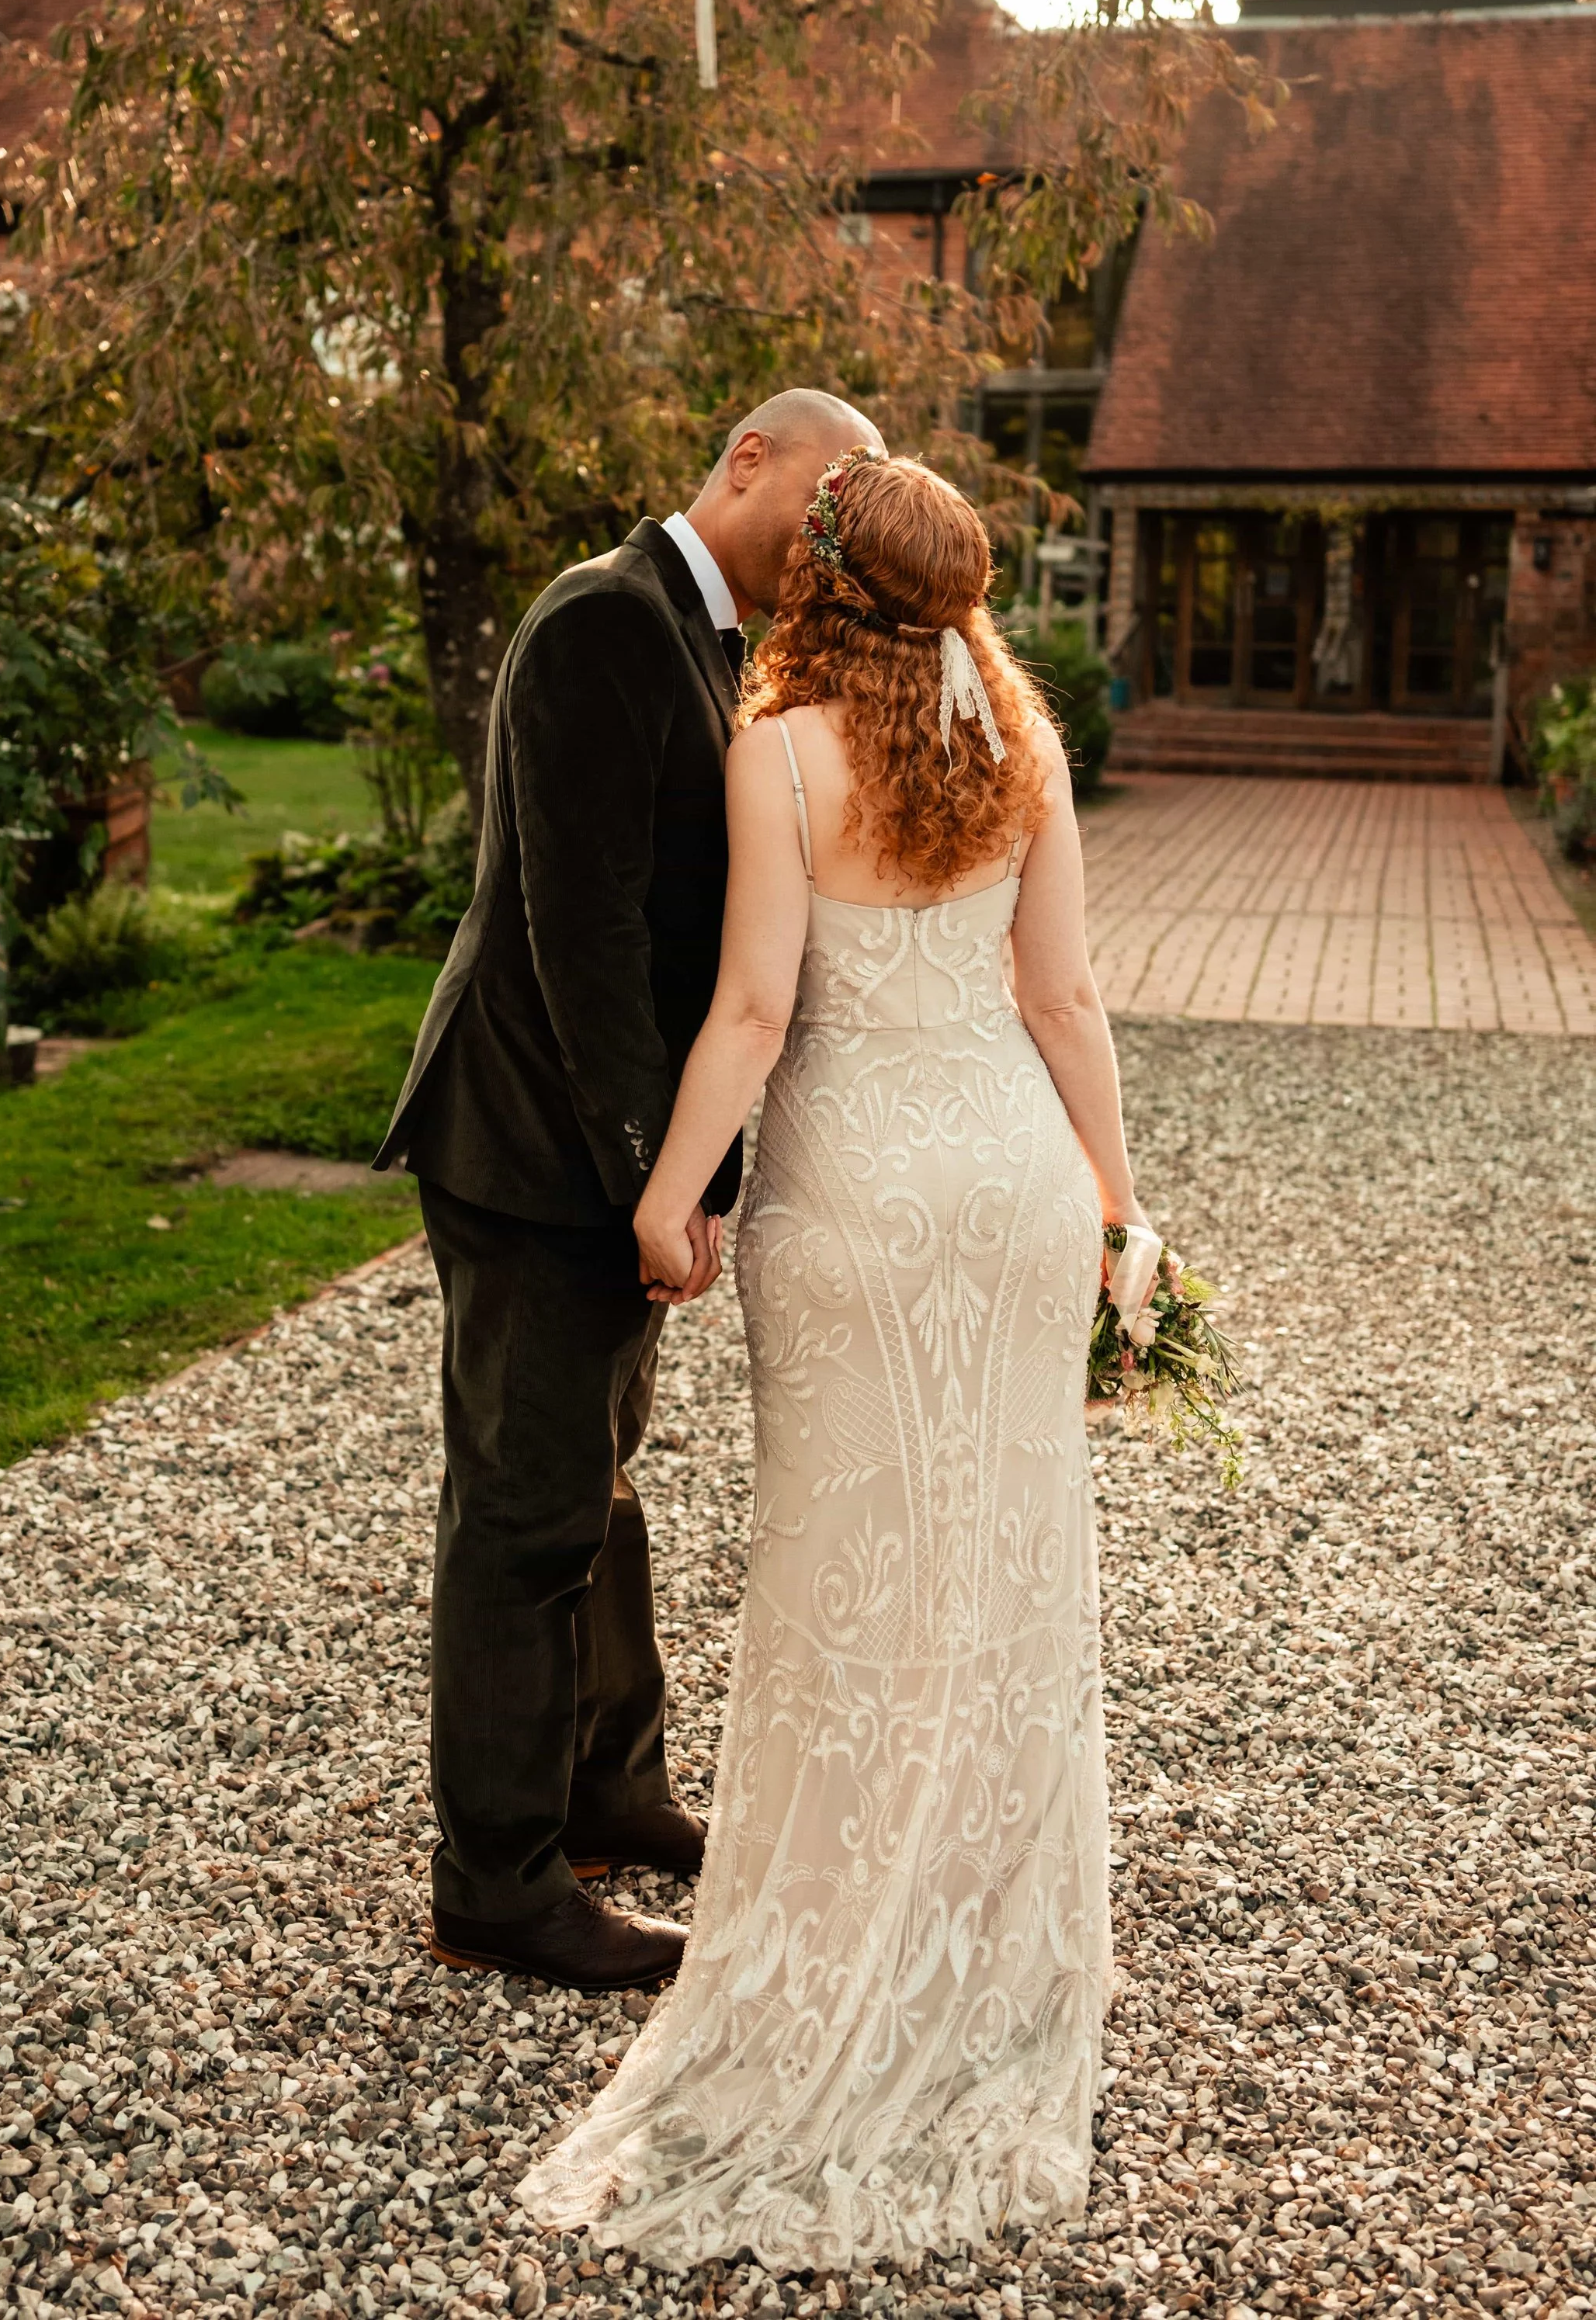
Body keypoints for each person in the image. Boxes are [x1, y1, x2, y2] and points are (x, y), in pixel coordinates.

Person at [519, 449, 1150, 2264]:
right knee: (1010, 1568)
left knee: (842, 1572)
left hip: (858, 1200)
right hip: (1013, 1192)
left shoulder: (776, 747)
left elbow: (754, 1011)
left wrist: (665, 1197)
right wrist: (1112, 1209)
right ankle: (999, 1943)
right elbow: (1061, 1003)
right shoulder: (1019, 744)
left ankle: (844, 1923)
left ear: (818, 579)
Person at [376, 390, 885, 1994]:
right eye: (824, 501)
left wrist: (688, 1169)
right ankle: (499, 1882)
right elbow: (578, 932)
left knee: (600, 1485)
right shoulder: (601, 620)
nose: (832, 541)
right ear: (746, 462)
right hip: (534, 1153)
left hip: (607, 1156)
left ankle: (607, 1788)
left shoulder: (713, 635)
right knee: (524, 1519)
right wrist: (656, 1181)